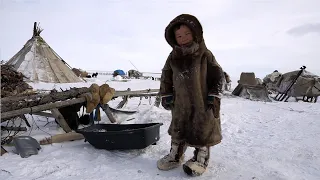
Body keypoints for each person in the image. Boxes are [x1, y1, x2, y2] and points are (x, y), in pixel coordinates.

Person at [157, 14, 224, 176]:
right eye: (179, 36)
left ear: (195, 33)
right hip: (180, 103)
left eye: (187, 34)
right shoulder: (173, 57)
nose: (183, 38)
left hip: (203, 103)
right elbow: (166, 76)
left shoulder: (205, 54)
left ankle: (200, 159)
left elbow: (218, 75)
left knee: (202, 131)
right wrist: (165, 94)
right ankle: (175, 155)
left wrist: (214, 95)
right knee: (179, 129)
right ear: (173, 38)